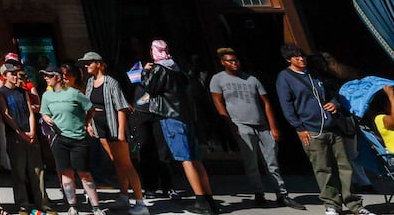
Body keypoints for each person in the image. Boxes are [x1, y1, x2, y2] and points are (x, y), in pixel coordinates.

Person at [276, 44, 369, 215]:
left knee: (345, 166)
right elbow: (287, 105)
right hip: (311, 129)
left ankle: (354, 204)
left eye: (302, 56)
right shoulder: (285, 78)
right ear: (288, 59)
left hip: (332, 126)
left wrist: (334, 103)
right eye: (296, 57)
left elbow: (333, 93)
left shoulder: (315, 73)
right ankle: (332, 204)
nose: (301, 59)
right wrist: (299, 127)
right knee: (323, 168)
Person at [208, 47, 298, 208]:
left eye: (236, 60)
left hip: (261, 124)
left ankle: (281, 194)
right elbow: (218, 102)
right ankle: (259, 193)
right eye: (230, 61)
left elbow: (266, 103)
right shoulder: (218, 79)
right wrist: (230, 125)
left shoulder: (251, 79)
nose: (234, 63)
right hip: (240, 123)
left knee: (272, 161)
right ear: (223, 63)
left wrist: (273, 127)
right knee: (251, 162)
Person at [140, 41, 216, 215]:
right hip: (185, 115)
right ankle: (209, 198)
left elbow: (151, 88)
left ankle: (201, 200)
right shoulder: (176, 67)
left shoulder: (160, 69)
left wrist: (145, 72)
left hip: (171, 116)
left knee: (186, 159)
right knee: (195, 158)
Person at [78, 52, 146, 215]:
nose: (86, 66)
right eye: (85, 63)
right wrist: (88, 123)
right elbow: (89, 105)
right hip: (99, 125)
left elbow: (121, 107)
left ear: (99, 64)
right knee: (116, 162)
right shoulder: (89, 83)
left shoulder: (111, 82)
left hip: (113, 125)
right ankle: (124, 196)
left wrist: (121, 132)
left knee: (126, 164)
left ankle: (140, 202)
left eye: (89, 63)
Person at [40, 67, 103, 215]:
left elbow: (90, 108)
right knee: (66, 174)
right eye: (45, 76)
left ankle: (96, 207)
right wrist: (46, 117)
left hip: (78, 138)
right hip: (59, 138)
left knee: (84, 173)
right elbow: (44, 111)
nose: (46, 78)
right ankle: (73, 206)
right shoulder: (46, 96)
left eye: (48, 76)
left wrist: (87, 123)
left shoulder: (74, 93)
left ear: (58, 77)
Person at [0, 60, 47, 214]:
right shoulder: (1, 92)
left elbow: (30, 112)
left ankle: (42, 203)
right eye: (12, 73)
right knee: (19, 171)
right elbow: (6, 114)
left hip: (30, 133)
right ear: (5, 75)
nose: (16, 76)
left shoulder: (22, 91)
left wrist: (32, 131)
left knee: (37, 170)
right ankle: (23, 204)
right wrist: (19, 132)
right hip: (15, 135)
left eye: (17, 73)